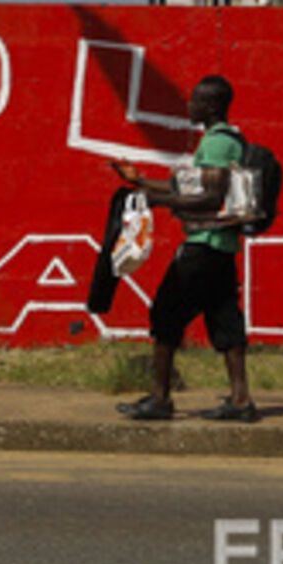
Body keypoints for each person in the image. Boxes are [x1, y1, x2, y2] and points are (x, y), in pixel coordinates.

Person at [111, 75, 257, 422]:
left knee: (165, 313)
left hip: (204, 245)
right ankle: (240, 400)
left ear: (210, 105)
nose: (189, 106)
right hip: (220, 246)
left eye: (195, 101)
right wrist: (140, 180)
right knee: (225, 320)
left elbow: (211, 195)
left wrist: (157, 200)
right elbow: (190, 186)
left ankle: (160, 399)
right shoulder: (222, 140)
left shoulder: (218, 144)